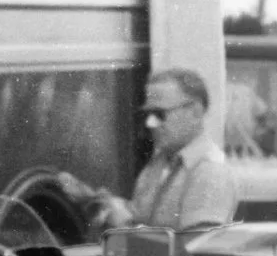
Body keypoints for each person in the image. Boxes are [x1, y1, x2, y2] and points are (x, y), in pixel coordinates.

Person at [57, 68, 236, 231]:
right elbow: (140, 215)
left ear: (195, 112)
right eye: (147, 114)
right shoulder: (160, 163)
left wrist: (127, 225)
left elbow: (195, 248)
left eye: (159, 114)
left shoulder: (210, 172)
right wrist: (92, 198)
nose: (150, 123)